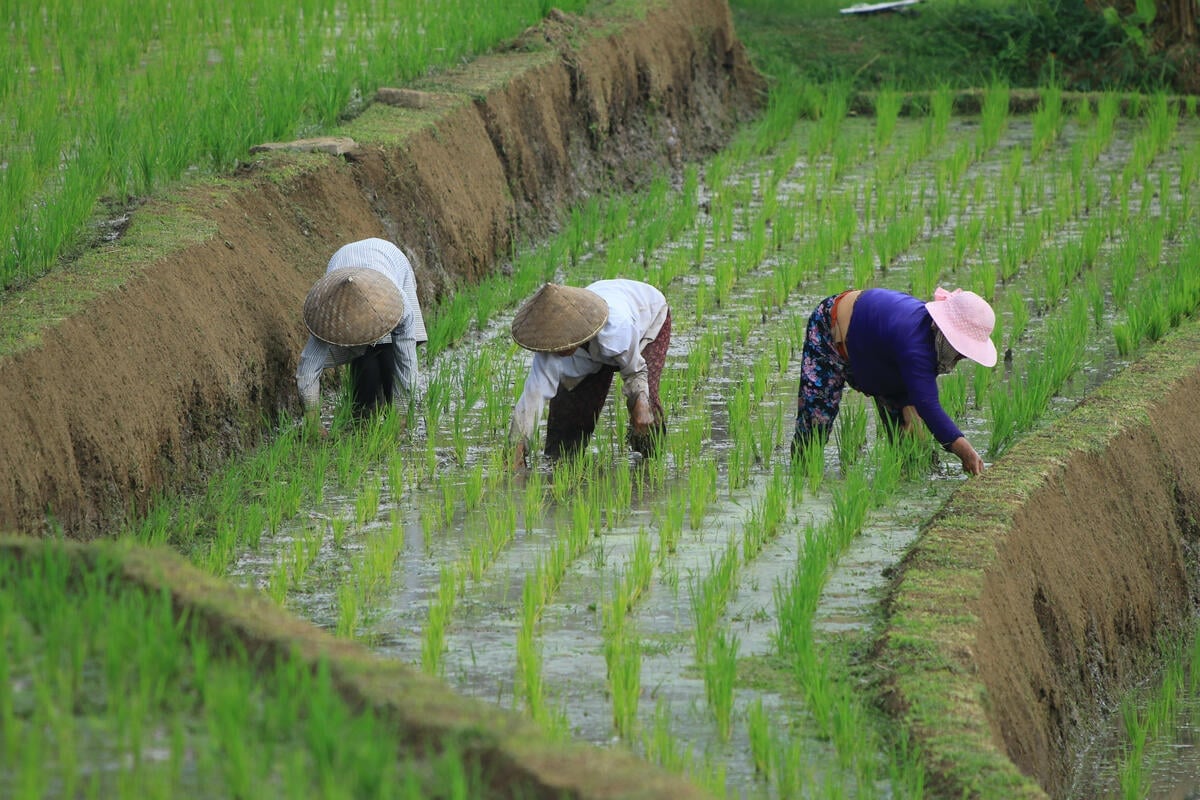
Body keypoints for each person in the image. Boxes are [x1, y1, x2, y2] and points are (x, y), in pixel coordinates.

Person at [791, 286, 997, 475]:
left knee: (913, 443)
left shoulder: (931, 338)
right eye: (962, 350)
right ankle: (799, 476)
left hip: (878, 350)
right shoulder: (915, 344)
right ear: (947, 333)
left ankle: (913, 480)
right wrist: (965, 451)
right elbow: (928, 405)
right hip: (831, 330)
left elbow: (919, 390)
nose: (962, 357)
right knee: (815, 423)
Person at [508, 279, 671, 467]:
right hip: (594, 346)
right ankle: (562, 468)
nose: (559, 348)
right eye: (555, 341)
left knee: (645, 413)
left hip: (647, 323)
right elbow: (532, 397)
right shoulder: (549, 349)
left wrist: (640, 401)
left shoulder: (617, 329)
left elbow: (635, 371)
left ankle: (651, 467)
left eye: (564, 340)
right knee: (568, 414)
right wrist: (516, 449)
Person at [295, 238, 427, 434]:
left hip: (388, 258)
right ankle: (365, 414)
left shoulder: (399, 304)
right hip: (343, 266)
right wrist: (312, 419)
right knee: (365, 360)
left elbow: (407, 360)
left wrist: (400, 415)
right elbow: (308, 367)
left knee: (390, 351)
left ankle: (391, 406)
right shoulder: (328, 311)